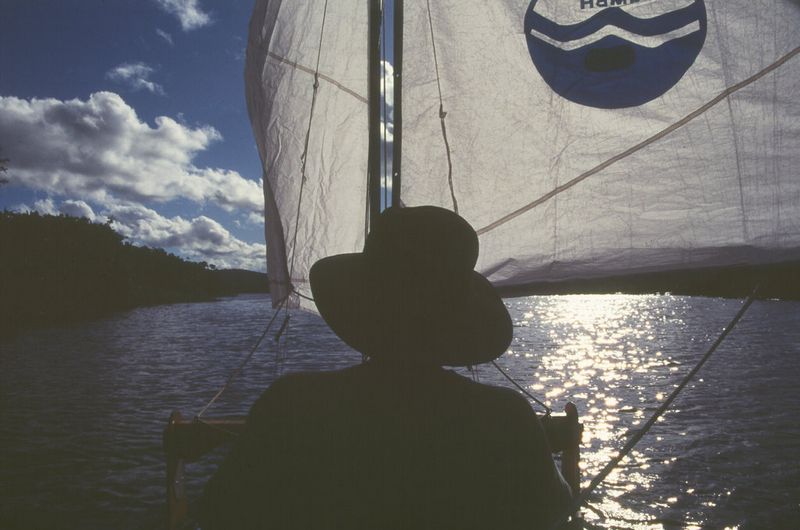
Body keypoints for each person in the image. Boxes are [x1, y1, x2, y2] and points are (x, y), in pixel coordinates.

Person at [200, 206, 573, 529]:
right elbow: (549, 513)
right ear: (457, 318)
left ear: (365, 306)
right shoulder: (505, 415)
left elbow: (221, 512)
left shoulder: (292, 402)